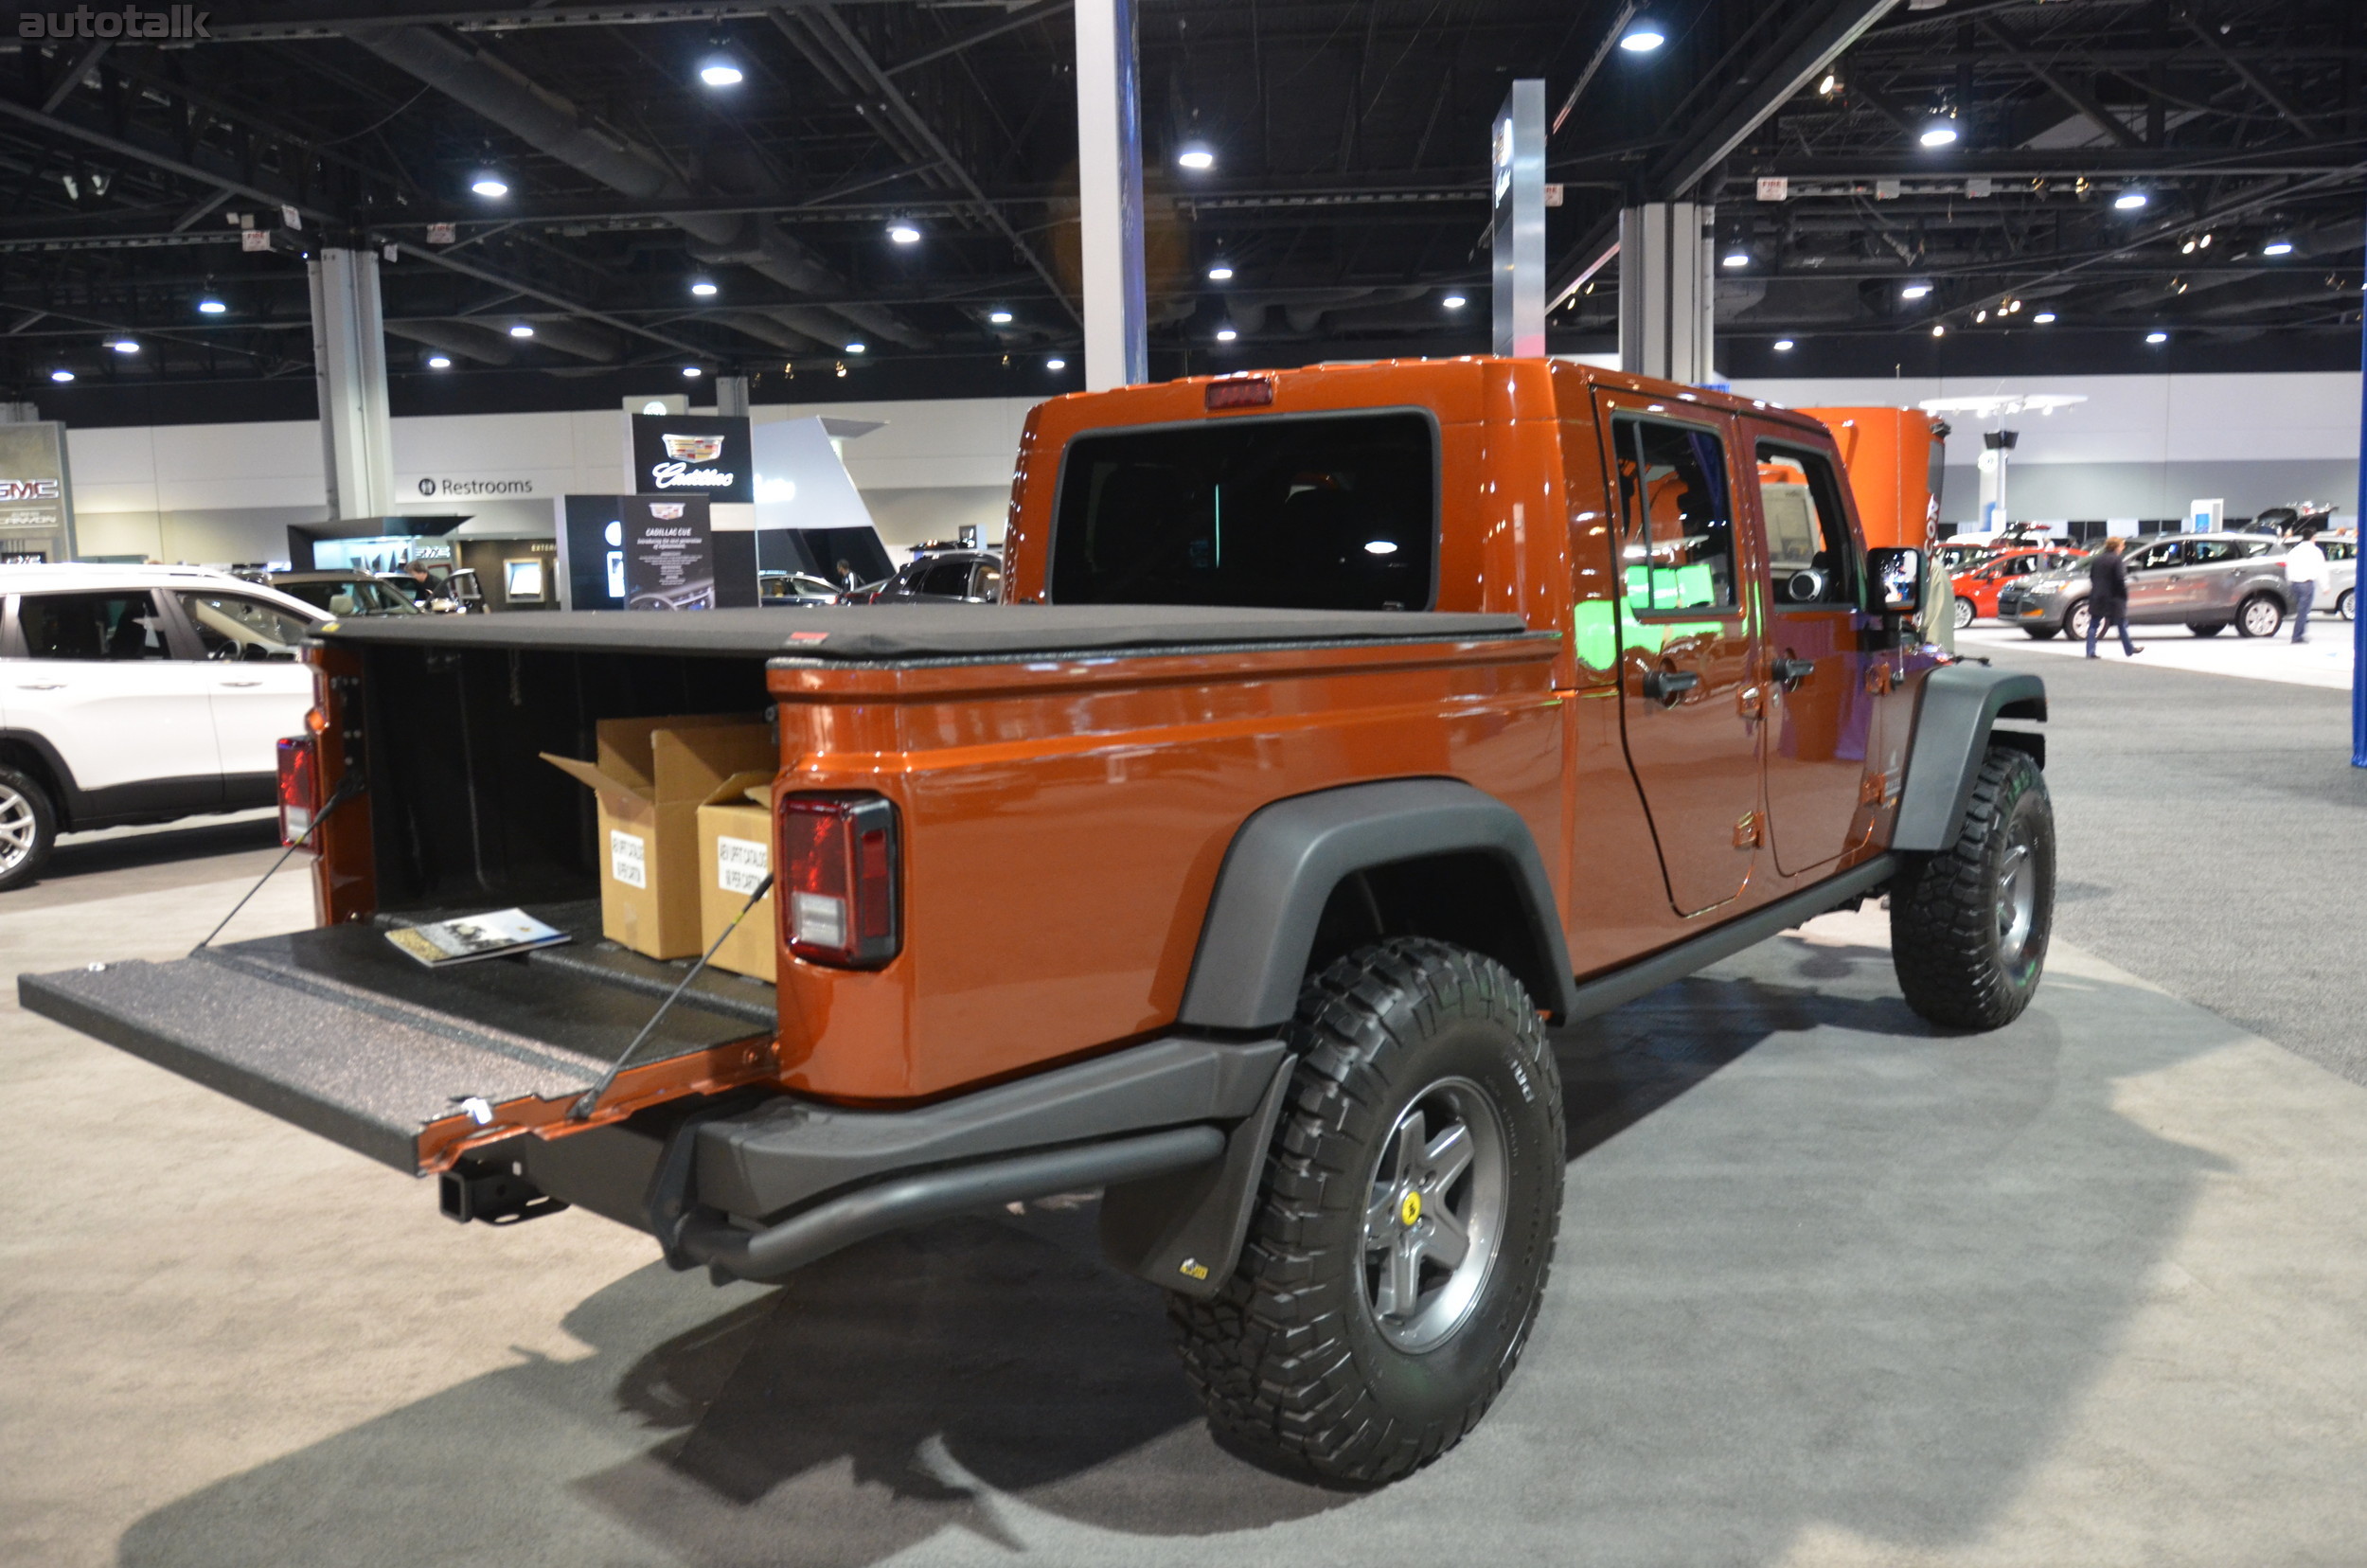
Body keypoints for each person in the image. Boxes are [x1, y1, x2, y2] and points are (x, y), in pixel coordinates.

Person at [2085, 537, 2140, 658]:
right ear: (2116, 547)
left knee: (2094, 625)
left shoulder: (2097, 559)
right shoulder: (2117, 560)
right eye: (2122, 546)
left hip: (2097, 595)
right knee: (2121, 624)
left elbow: (2092, 576)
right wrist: (2123, 594)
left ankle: (2090, 651)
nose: (2123, 548)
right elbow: (2120, 579)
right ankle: (2129, 649)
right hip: (2114, 597)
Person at [2284, 527, 2328, 644]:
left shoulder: (2294, 551)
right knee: (2303, 612)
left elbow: (2288, 567)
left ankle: (2301, 633)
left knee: (2302, 610)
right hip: (2307, 584)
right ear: (2312, 538)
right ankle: (2297, 636)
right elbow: (2321, 569)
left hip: (2295, 584)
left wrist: (2289, 581)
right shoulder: (2315, 551)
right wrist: (2325, 586)